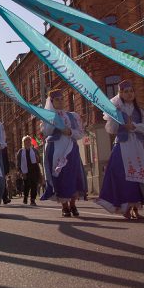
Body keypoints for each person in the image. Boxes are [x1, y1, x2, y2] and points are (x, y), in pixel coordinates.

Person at [96, 80, 144, 219]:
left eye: (131, 91)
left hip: (137, 146)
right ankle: (125, 207)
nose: (129, 94)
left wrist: (133, 126)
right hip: (122, 145)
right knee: (123, 176)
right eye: (125, 91)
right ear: (120, 93)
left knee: (137, 177)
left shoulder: (141, 110)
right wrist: (120, 125)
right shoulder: (116, 110)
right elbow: (111, 129)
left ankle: (135, 208)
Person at [40, 89, 86, 217]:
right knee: (60, 177)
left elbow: (80, 133)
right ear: (51, 102)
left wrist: (70, 132)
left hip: (71, 149)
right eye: (57, 99)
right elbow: (46, 132)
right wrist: (56, 124)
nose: (60, 101)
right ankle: (64, 206)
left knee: (72, 175)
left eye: (62, 99)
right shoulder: (48, 117)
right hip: (55, 150)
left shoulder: (72, 116)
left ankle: (73, 204)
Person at [16, 136, 42, 206]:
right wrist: (20, 171)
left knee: (34, 185)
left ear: (30, 142)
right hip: (25, 171)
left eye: (28, 141)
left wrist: (37, 158)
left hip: (34, 170)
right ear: (23, 143)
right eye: (26, 141)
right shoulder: (21, 151)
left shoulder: (34, 150)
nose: (27, 142)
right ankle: (25, 196)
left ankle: (32, 200)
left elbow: (39, 160)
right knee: (26, 185)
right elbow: (18, 162)